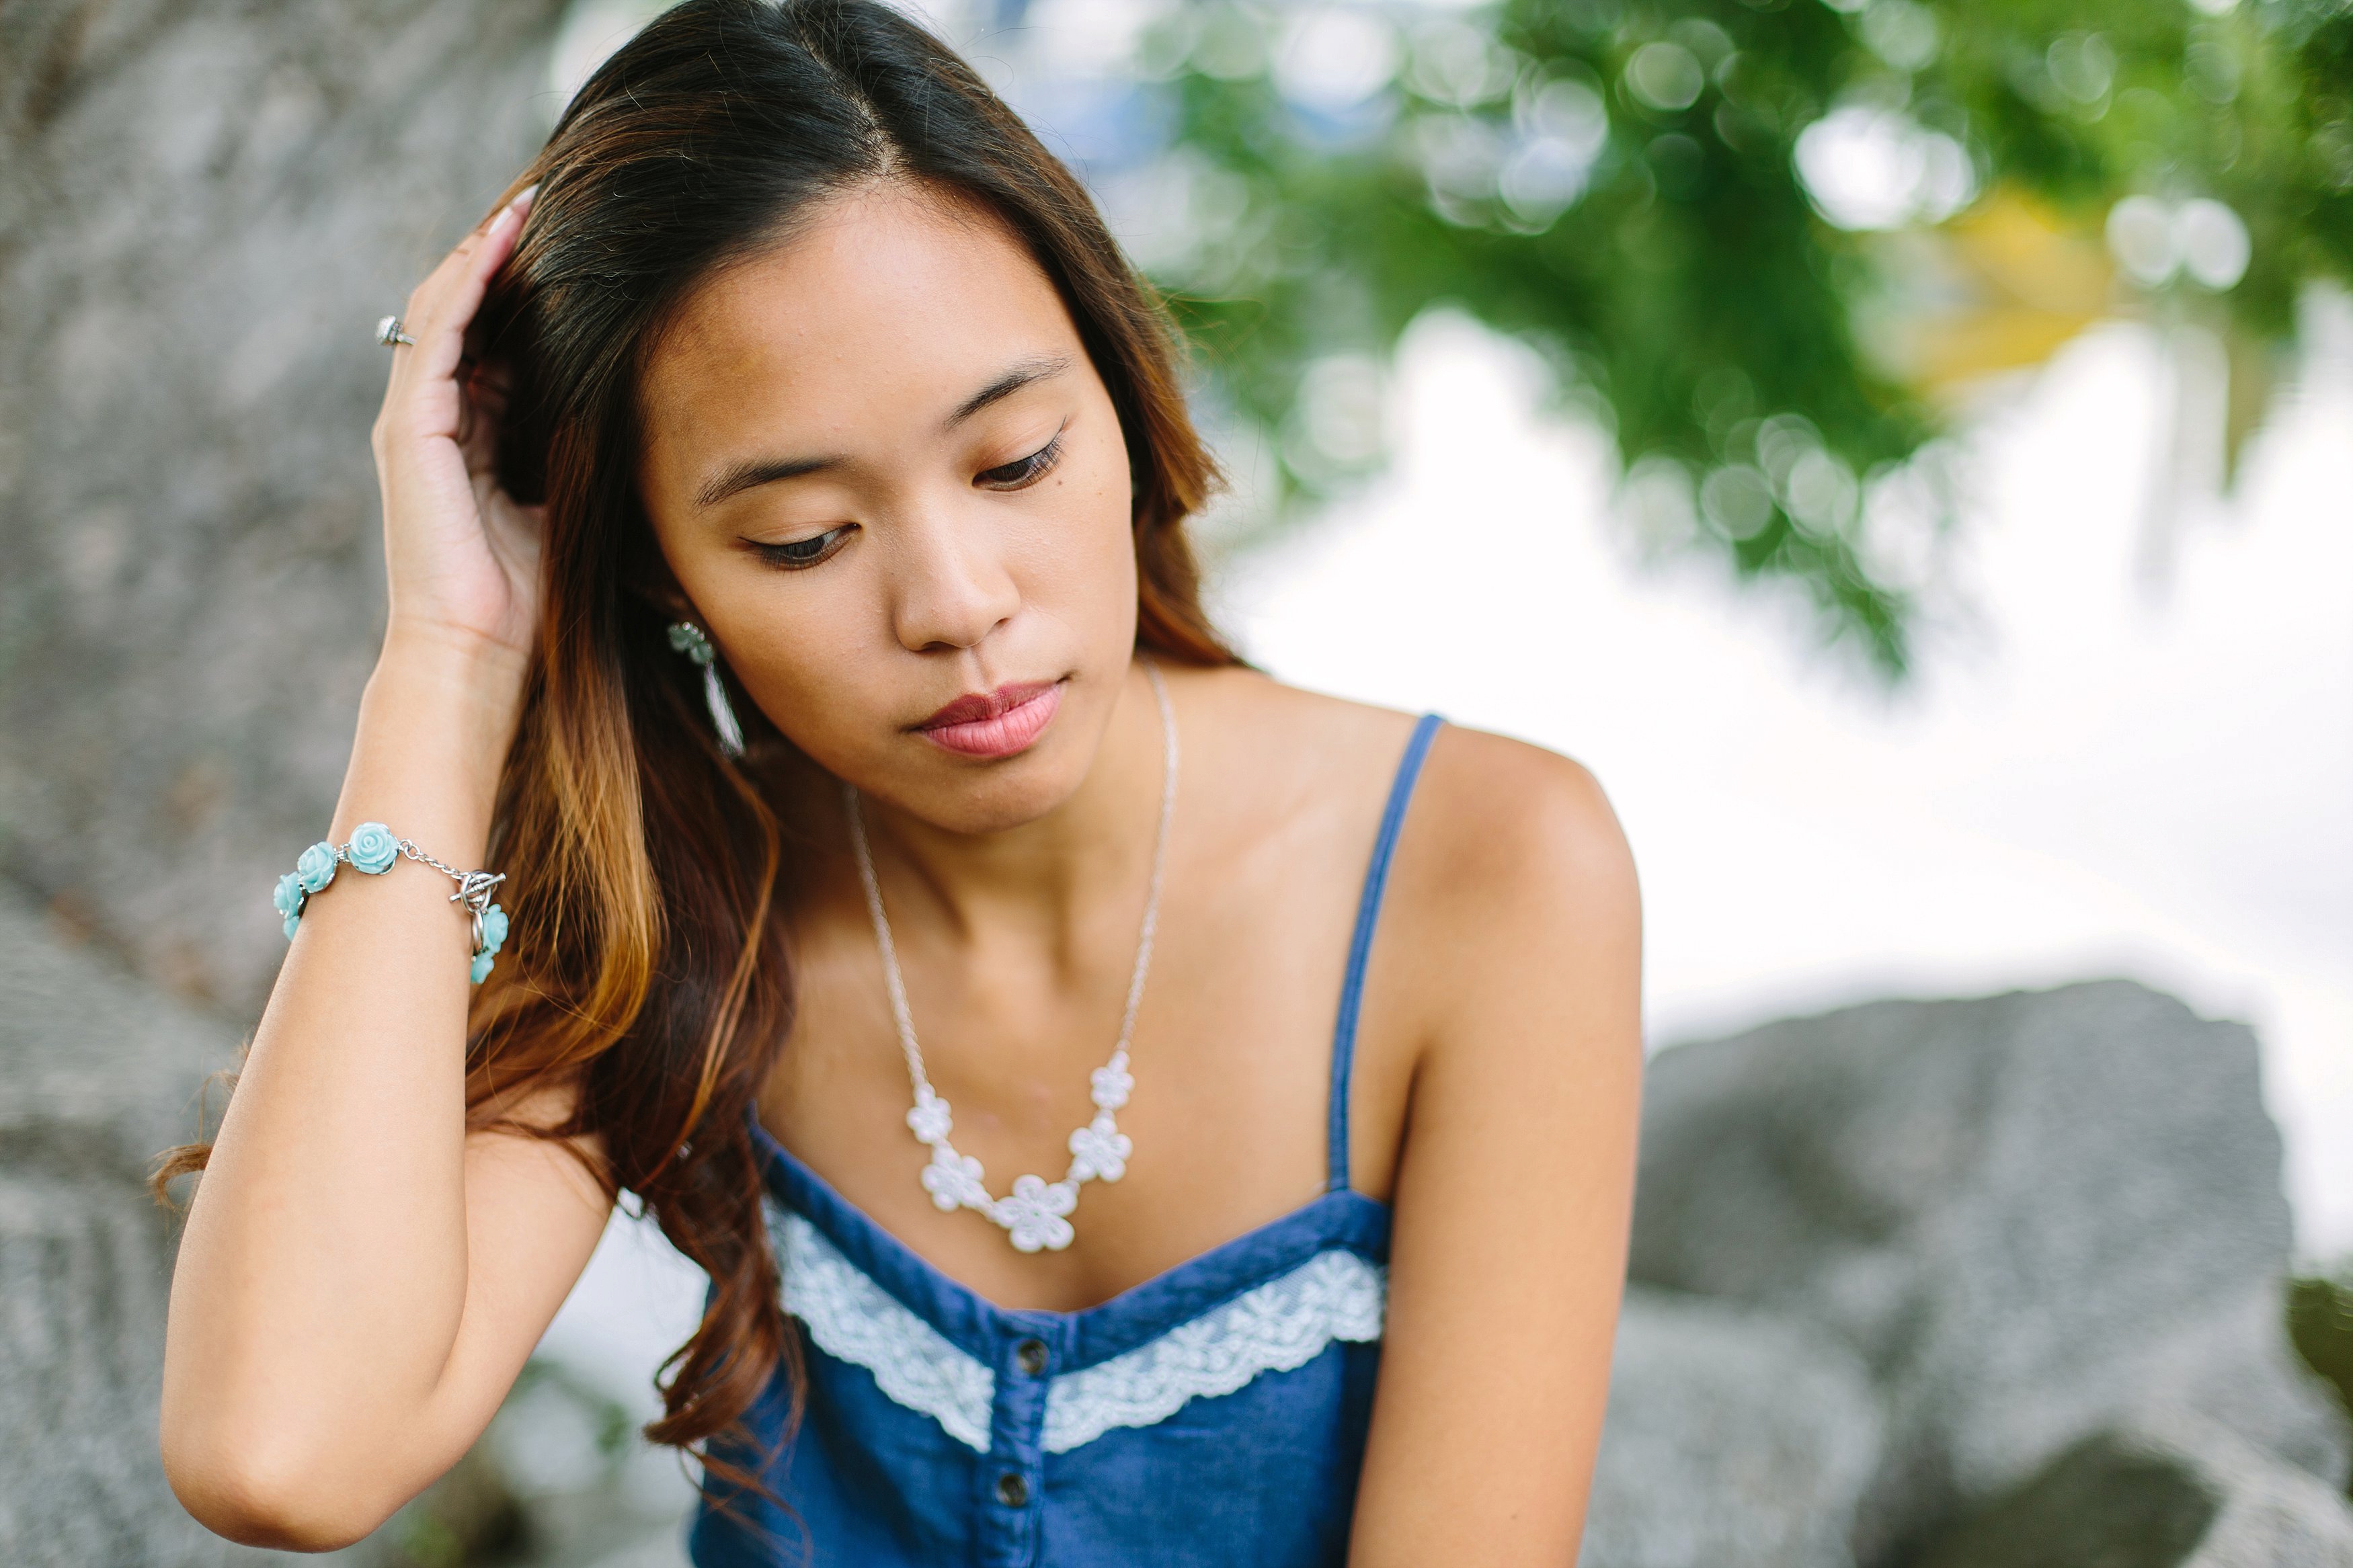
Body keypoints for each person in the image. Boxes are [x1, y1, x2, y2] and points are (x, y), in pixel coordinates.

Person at [156, 1, 1642, 1562]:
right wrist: (450, 661)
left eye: (1013, 463)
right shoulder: (685, 902)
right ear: (663, 571)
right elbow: (278, 1450)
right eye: (803, 539)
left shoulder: (1489, 870)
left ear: (1123, 397)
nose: (955, 602)